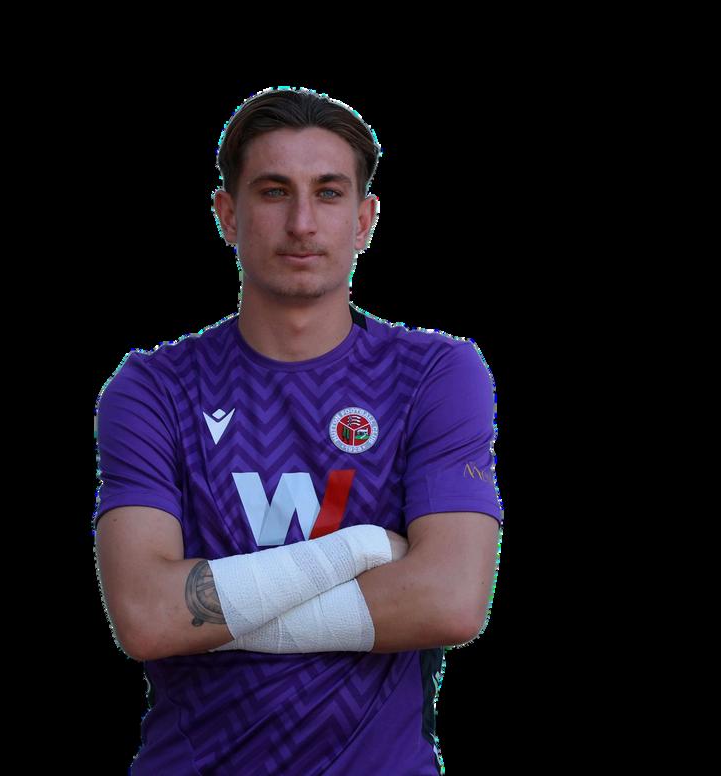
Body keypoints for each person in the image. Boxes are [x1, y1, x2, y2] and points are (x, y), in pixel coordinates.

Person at [92, 86, 504, 775]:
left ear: (365, 219)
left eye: (329, 193)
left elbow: (451, 601)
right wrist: (363, 550)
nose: (303, 223)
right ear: (227, 214)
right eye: (274, 191)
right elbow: (144, 618)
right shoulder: (153, 388)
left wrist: (212, 613)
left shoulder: (436, 374)